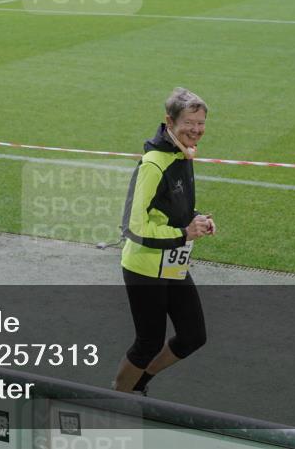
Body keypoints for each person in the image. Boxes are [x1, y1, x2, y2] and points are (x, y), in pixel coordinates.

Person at [112, 87, 215, 394]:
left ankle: (139, 383)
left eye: (201, 123)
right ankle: (116, 397)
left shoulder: (182, 153)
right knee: (148, 342)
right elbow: (135, 226)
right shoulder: (154, 162)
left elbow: (173, 206)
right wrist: (183, 233)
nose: (196, 130)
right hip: (145, 264)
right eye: (189, 123)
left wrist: (197, 219)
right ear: (169, 121)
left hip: (171, 260)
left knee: (193, 335)